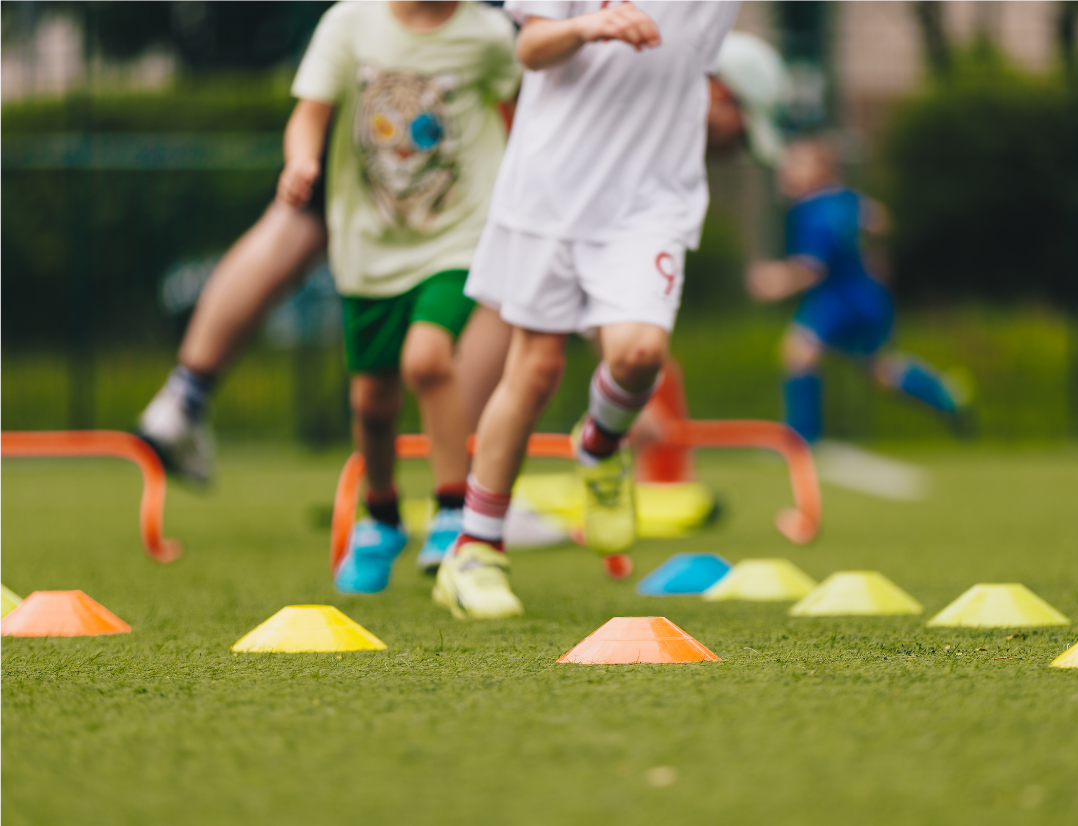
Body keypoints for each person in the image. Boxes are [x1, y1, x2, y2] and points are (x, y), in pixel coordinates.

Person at [430, 0, 739, 619]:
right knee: (535, 368)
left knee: (640, 354)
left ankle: (598, 444)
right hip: (551, 192)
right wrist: (586, 26)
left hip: (651, 200)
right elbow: (530, 48)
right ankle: (475, 549)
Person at [277, 0, 520, 592]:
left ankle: (451, 511)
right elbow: (310, 113)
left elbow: (519, 118)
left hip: (460, 232)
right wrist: (301, 160)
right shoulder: (349, 24)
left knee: (428, 358)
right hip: (371, 243)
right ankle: (381, 515)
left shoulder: (488, 35)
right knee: (372, 401)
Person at [746, 138, 973, 444]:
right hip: (869, 297)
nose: (786, 170)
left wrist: (775, 282)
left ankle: (801, 439)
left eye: (797, 164)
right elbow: (879, 219)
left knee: (798, 352)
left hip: (836, 301)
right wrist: (875, 255)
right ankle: (945, 394)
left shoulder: (812, 210)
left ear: (820, 172)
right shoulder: (845, 199)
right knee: (881, 370)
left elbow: (811, 269)